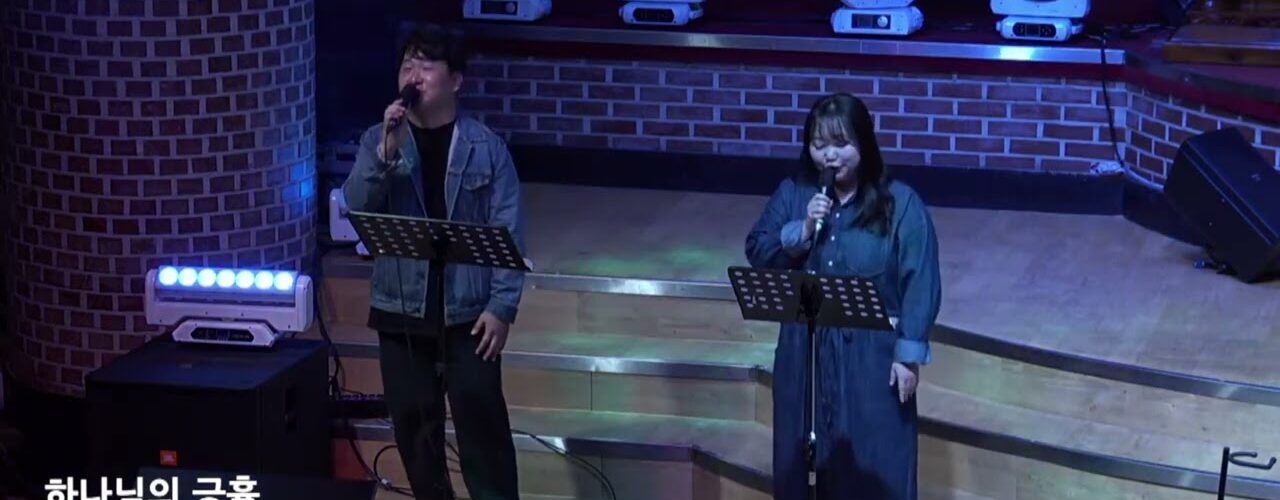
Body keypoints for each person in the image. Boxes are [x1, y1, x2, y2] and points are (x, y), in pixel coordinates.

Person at [343, 24, 524, 500]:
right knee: (414, 429)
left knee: (482, 426)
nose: (414, 75)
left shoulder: (487, 148)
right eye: (407, 65)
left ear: (455, 80)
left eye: (426, 65)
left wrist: (502, 307)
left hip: (469, 313)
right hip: (401, 305)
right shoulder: (379, 141)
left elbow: (508, 231)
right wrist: (384, 153)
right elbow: (357, 207)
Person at [744, 93, 941, 500]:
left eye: (840, 144)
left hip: (870, 353)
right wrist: (802, 230)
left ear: (864, 144)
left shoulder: (900, 203)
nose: (829, 156)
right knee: (801, 464)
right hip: (805, 348)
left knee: (876, 463)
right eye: (819, 145)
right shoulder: (794, 193)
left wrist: (908, 355)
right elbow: (759, 249)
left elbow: (920, 278)